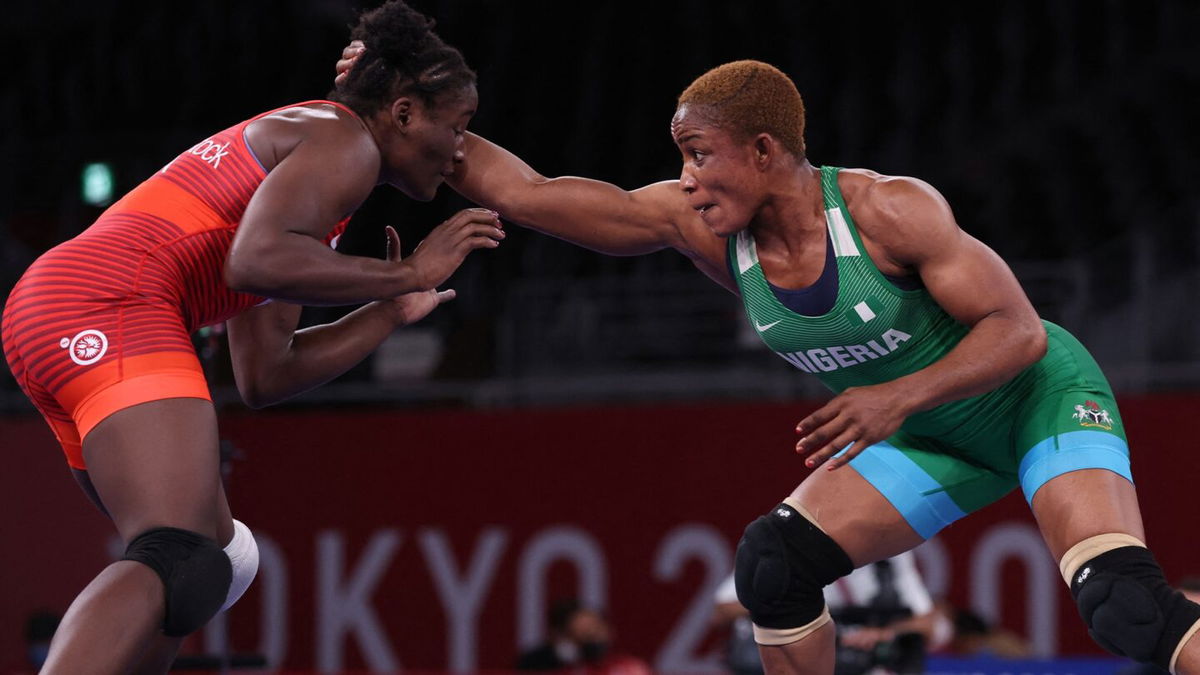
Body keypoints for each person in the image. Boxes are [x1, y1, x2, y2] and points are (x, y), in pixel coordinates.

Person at [335, 49, 1200, 675]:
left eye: (699, 154)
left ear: (762, 150)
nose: (687, 178)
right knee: (771, 569)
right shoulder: (699, 227)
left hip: (1036, 398)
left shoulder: (888, 211)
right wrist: (399, 106)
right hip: (930, 432)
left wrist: (895, 395)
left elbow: (1020, 332)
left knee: (1119, 606)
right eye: (681, 157)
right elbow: (527, 196)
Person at [0, 4, 504, 674]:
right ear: (406, 113)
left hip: (63, 310)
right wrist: (407, 269)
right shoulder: (343, 140)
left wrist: (387, 309)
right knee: (176, 548)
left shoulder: (313, 191)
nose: (463, 151)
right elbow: (253, 260)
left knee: (216, 560)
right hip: (106, 299)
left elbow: (266, 373)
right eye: (460, 127)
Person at [714, 553, 950, 675]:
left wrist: (884, 633)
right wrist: (800, 612)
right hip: (796, 661)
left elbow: (928, 623)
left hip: (860, 664)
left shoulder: (890, 556)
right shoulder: (788, 545)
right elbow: (724, 608)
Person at [516, 599, 651, 675]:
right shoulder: (543, 665)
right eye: (584, 633)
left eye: (596, 630)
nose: (593, 637)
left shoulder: (629, 668)